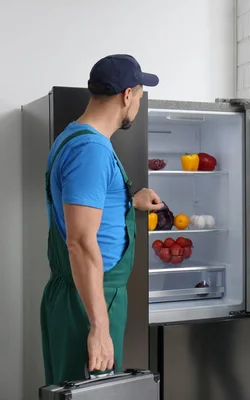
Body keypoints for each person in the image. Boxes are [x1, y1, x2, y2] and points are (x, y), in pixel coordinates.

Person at [40, 54, 163, 385]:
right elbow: (79, 240)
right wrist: (99, 325)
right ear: (126, 95)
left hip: (85, 293)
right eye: (139, 93)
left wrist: (127, 201)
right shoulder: (91, 151)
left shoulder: (75, 136)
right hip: (90, 298)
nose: (138, 101)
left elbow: (84, 205)